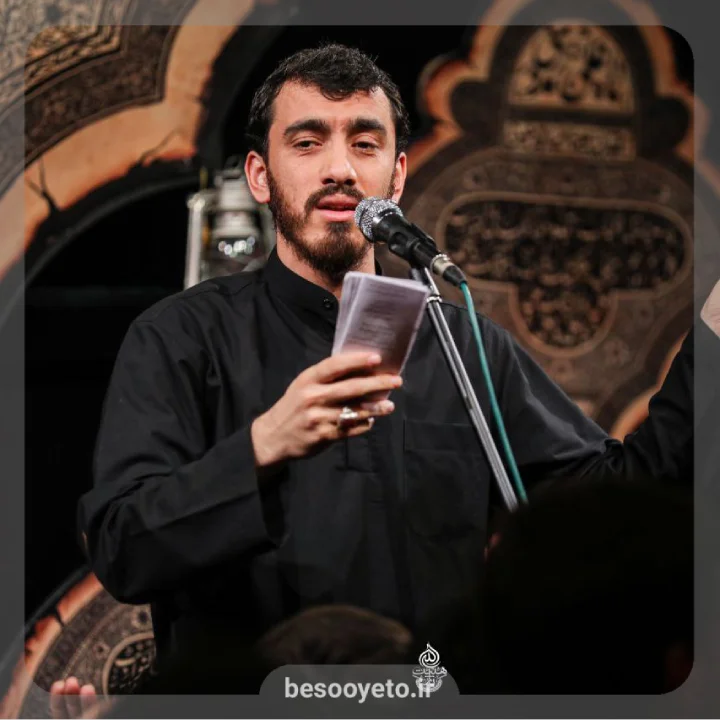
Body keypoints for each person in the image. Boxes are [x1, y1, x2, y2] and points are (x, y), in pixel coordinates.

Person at [76, 42, 699, 672]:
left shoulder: (460, 345)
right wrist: (263, 446)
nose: (340, 169)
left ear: (396, 177)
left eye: (365, 144)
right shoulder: (181, 337)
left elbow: (614, 503)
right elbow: (124, 547)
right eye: (307, 143)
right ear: (261, 176)